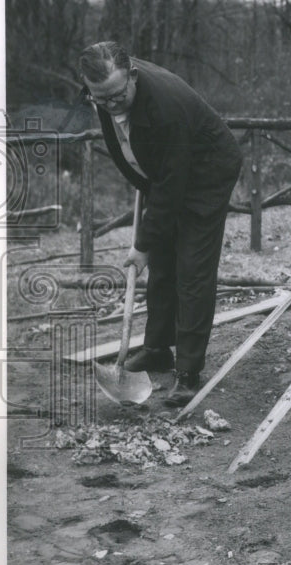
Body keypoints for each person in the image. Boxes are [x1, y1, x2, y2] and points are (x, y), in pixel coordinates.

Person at [79, 42, 242, 407]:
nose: (111, 104)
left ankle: (187, 371)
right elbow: (140, 156)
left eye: (118, 95)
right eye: (101, 99)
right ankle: (156, 350)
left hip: (206, 172)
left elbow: (173, 185)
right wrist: (148, 202)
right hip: (165, 173)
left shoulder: (167, 107)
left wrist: (142, 244)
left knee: (192, 268)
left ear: (133, 76)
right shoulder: (106, 93)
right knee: (163, 264)